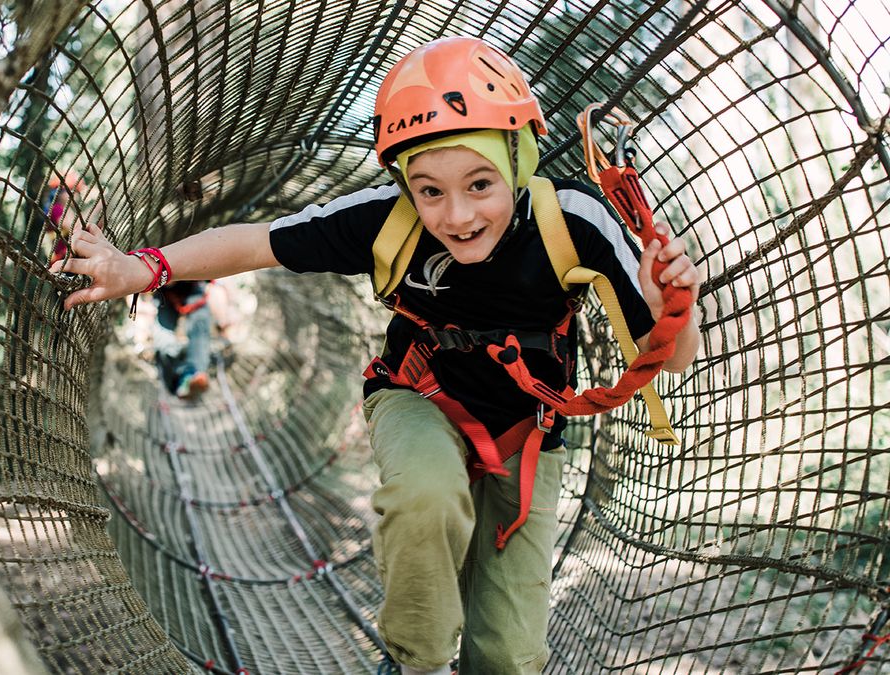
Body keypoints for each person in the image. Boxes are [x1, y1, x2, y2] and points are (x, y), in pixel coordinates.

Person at [51, 36, 701, 674]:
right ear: (406, 184)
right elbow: (258, 241)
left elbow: (668, 361)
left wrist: (674, 306)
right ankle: (418, 664)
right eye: (430, 191)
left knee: (509, 655)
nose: (458, 215)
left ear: (518, 161)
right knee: (426, 493)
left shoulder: (574, 220)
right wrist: (145, 268)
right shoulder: (387, 219)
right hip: (420, 396)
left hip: (527, 431)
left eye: (480, 183)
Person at [151, 280, 213, 399]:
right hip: (165, 292)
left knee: (199, 329)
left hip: (193, 286)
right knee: (164, 342)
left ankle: (190, 376)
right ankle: (182, 380)